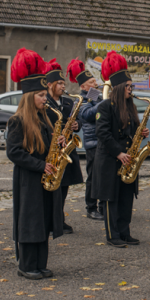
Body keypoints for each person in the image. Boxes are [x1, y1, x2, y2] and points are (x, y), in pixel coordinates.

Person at [6, 48, 64, 279]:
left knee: (43, 219)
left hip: (44, 175)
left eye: (45, 94)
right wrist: (41, 166)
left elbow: (46, 147)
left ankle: (40, 263)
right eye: (40, 95)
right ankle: (27, 265)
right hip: (29, 178)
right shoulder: (17, 120)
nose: (45, 98)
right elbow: (14, 152)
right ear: (30, 97)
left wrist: (58, 142)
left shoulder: (46, 118)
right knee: (30, 220)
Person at [92, 52, 150, 247]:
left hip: (128, 158)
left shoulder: (130, 107)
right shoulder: (104, 107)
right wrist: (118, 152)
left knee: (126, 199)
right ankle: (113, 235)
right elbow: (103, 134)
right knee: (112, 199)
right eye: (128, 86)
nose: (130, 89)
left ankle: (125, 232)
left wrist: (140, 134)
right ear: (118, 88)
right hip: (111, 159)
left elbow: (130, 132)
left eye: (131, 86)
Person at [44, 59, 83, 234]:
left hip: (66, 148)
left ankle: (59, 218)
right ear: (49, 85)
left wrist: (76, 125)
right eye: (59, 83)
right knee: (53, 189)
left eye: (63, 83)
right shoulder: (44, 102)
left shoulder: (68, 101)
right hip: (52, 149)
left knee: (64, 186)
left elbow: (77, 120)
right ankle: (51, 221)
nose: (62, 86)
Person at [67, 58, 104, 221]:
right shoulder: (80, 100)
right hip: (92, 142)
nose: (95, 83)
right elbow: (87, 115)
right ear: (83, 86)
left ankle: (103, 205)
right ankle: (91, 207)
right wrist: (103, 104)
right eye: (91, 82)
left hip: (102, 141)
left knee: (103, 174)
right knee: (93, 176)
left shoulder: (96, 96)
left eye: (95, 80)